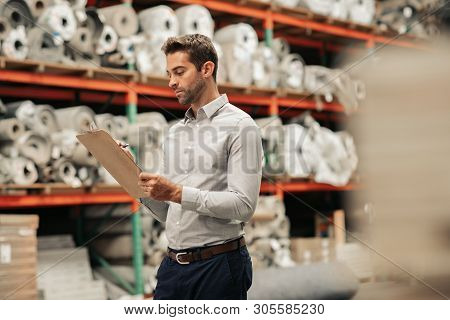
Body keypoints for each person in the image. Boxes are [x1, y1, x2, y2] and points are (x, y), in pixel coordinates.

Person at [120, 34, 263, 299]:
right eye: (169, 73)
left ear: (206, 69)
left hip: (219, 266)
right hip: (173, 268)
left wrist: (177, 193)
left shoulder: (241, 127)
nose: (171, 82)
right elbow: (167, 212)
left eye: (179, 72)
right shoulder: (175, 133)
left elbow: (244, 206)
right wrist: (132, 177)